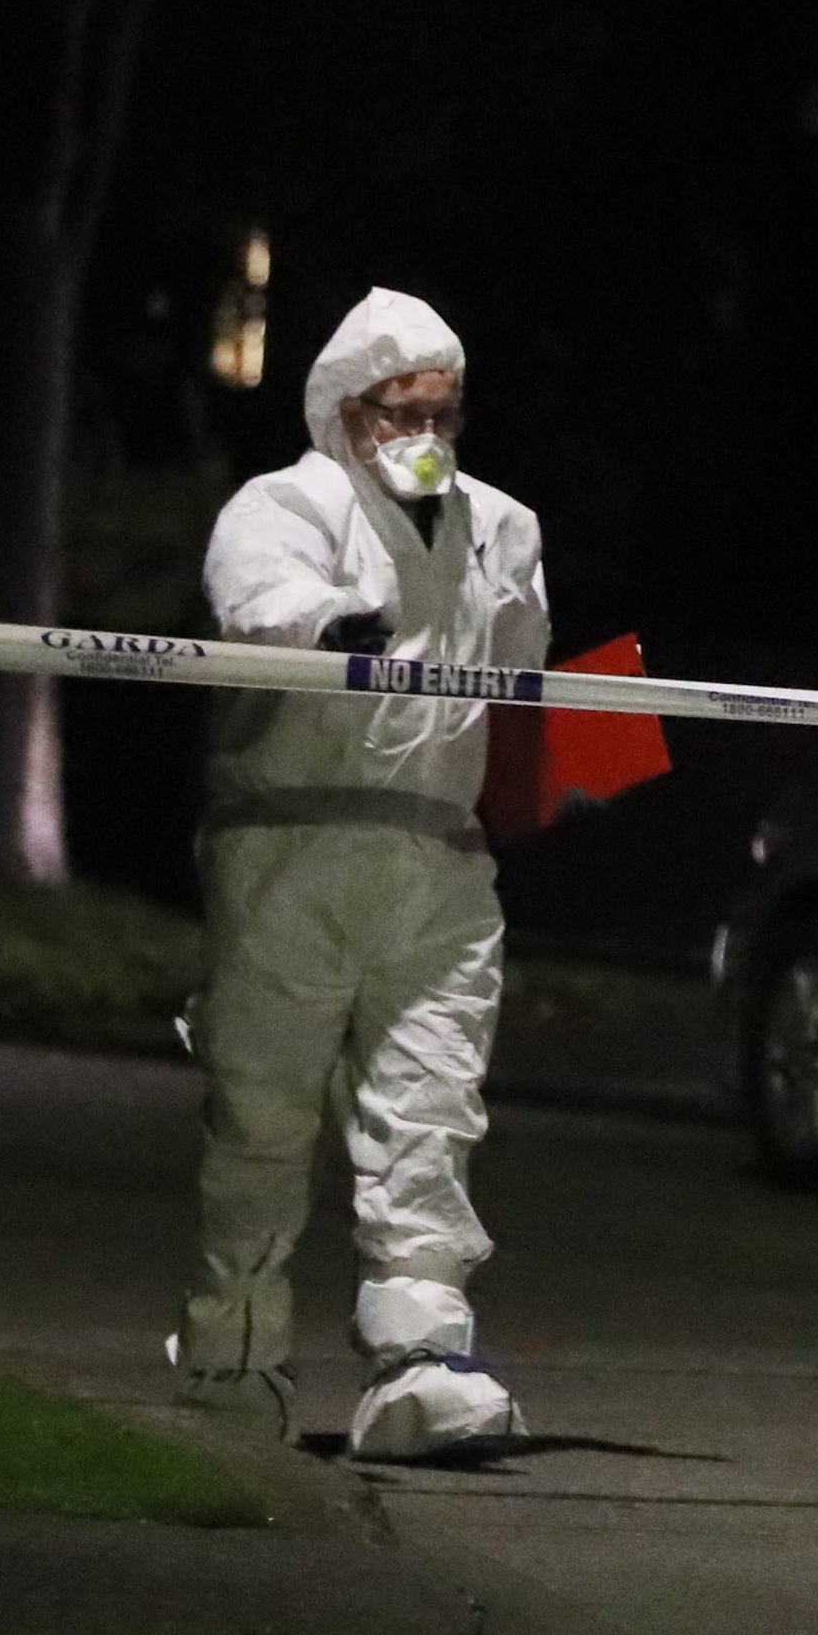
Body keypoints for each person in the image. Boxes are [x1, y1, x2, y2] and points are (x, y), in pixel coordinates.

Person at [172, 287, 551, 1461]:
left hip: (437, 858)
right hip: (292, 845)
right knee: (265, 1112)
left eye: (444, 409)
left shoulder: (504, 526)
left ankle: (424, 1354)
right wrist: (338, 627)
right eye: (400, 409)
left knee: (432, 1110)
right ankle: (236, 1348)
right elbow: (261, 611)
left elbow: (526, 675)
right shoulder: (279, 506)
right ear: (346, 410)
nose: (422, 430)